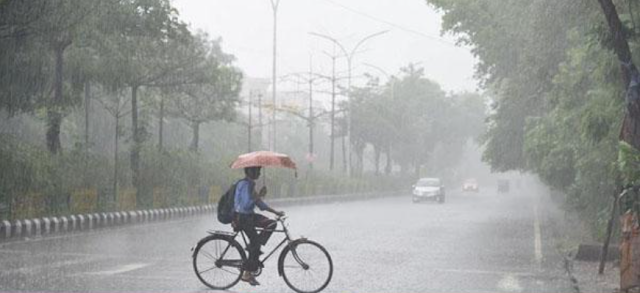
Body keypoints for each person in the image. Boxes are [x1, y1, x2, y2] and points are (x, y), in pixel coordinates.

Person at [234, 166, 284, 286]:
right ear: (249, 171)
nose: (259, 173)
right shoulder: (245, 185)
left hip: (250, 216)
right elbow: (246, 205)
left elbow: (260, 205)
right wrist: (259, 195)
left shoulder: (250, 184)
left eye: (259, 171)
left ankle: (254, 248)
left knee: (271, 223)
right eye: (257, 170)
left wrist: (275, 212)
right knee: (256, 244)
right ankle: (247, 273)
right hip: (243, 218)